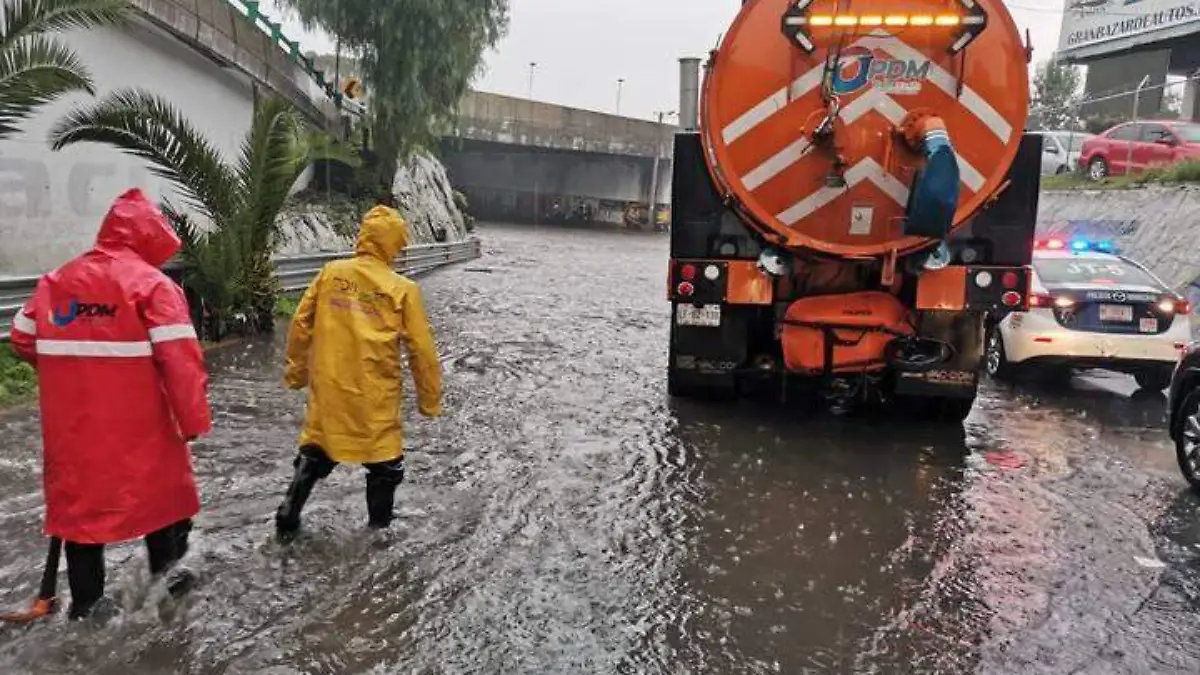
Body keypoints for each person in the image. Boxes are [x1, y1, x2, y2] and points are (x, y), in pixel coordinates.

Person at [9, 188, 211, 620]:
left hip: (73, 433)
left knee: (81, 521)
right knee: (161, 504)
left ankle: (85, 608)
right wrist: (193, 420)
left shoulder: (57, 280)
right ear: (149, 238)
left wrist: (76, 362)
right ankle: (166, 592)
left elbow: (23, 338)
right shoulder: (154, 286)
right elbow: (181, 362)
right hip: (143, 431)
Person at [275, 204, 442, 535]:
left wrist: (296, 373)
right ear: (395, 243)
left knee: (316, 450)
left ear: (363, 236)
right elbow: (422, 351)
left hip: (330, 392)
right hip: (374, 399)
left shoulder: (331, 273)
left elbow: (300, 324)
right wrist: (429, 400)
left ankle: (288, 514)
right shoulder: (403, 290)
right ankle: (378, 535)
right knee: (384, 466)